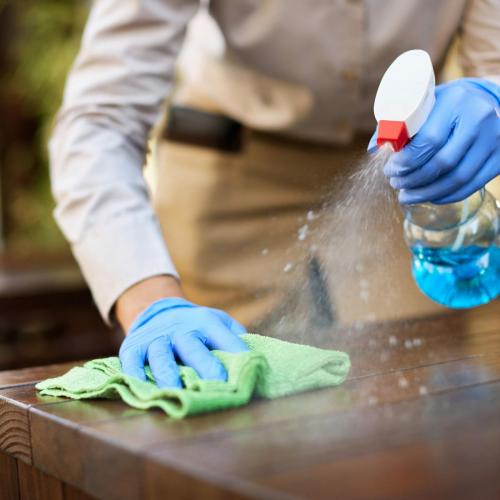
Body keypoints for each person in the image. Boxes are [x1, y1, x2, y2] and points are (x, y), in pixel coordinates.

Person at [50, 0, 500, 389]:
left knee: (414, 390)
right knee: (223, 404)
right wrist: (151, 302)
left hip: (399, 175)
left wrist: (493, 99)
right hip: (230, 180)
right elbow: (99, 123)